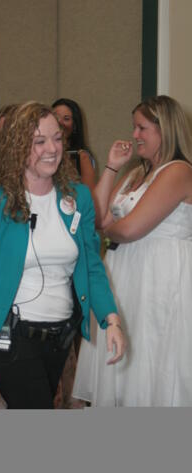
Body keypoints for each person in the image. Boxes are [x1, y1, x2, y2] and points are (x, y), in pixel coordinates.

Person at [0, 101, 125, 409]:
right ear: (17, 147)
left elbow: (92, 265)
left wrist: (112, 320)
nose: (52, 148)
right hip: (12, 337)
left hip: (60, 337)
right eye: (39, 141)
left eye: (57, 138)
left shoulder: (78, 197)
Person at [73, 95, 192, 407]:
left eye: (142, 128)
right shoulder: (137, 173)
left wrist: (109, 232)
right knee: (125, 360)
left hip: (159, 277)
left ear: (164, 130)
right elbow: (98, 217)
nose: (135, 134)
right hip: (126, 272)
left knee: (154, 355)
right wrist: (112, 166)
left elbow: (129, 229)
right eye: (134, 127)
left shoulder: (179, 171)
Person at [52, 98, 96, 191]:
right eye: (56, 117)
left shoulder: (81, 156)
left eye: (66, 119)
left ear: (75, 125)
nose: (60, 122)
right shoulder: (43, 153)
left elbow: (89, 195)